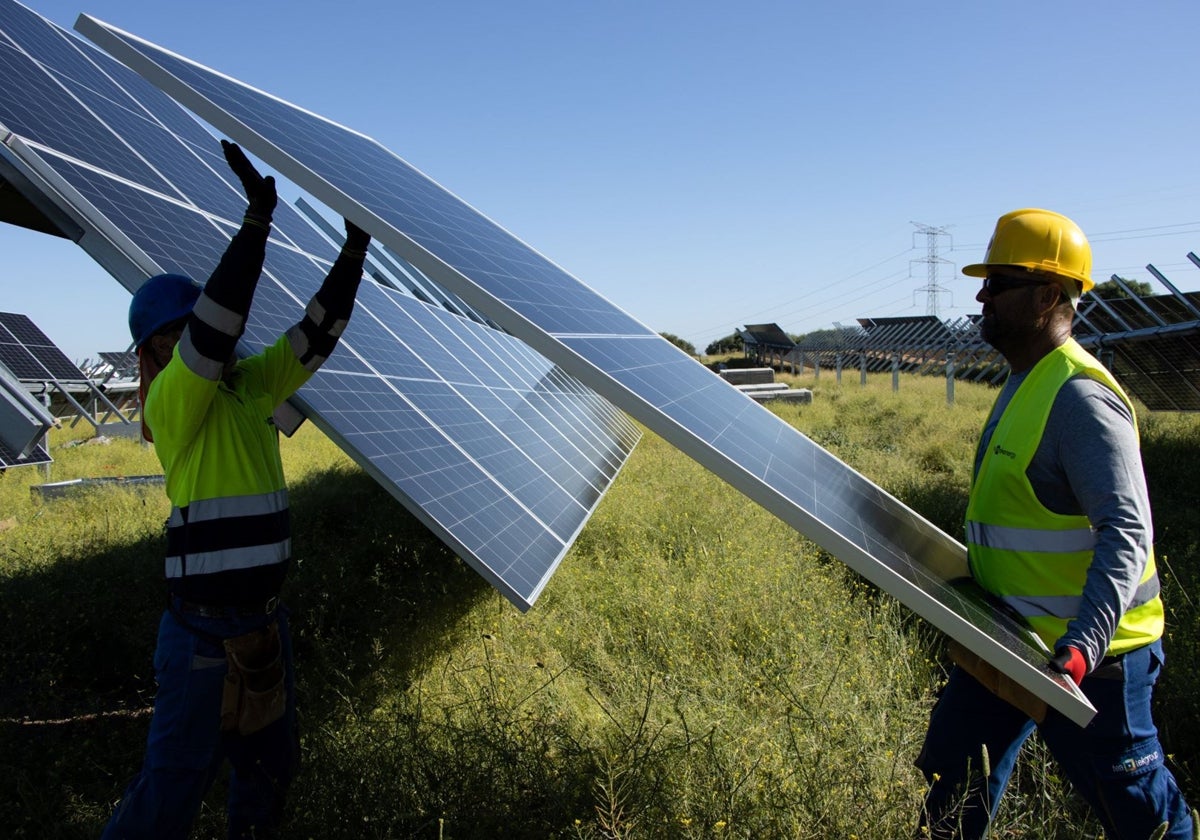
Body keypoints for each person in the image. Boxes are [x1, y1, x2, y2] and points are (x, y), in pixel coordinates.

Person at [102, 140, 370, 839]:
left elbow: (318, 333)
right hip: (198, 637)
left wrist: (356, 250)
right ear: (152, 353)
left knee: (268, 776)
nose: (186, 339)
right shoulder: (173, 404)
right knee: (169, 798)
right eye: (172, 334)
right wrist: (257, 221)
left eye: (184, 328)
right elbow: (220, 325)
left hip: (261, 626)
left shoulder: (253, 388)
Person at [915, 208, 1195, 839]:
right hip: (1011, 635)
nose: (981, 295)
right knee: (950, 786)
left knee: (1141, 817)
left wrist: (1082, 647)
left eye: (999, 282)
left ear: (1047, 295)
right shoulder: (1026, 380)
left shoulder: (1080, 399)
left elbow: (1127, 530)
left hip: (1091, 658)